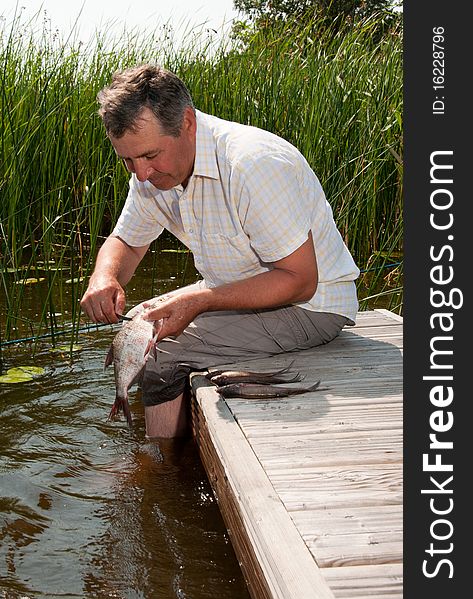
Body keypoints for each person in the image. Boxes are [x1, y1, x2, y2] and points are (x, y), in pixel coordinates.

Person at [80, 64, 360, 439]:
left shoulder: (251, 164)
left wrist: (198, 302)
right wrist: (105, 276)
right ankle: (166, 436)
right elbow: (127, 242)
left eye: (149, 156)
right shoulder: (150, 174)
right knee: (138, 324)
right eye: (128, 161)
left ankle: (158, 468)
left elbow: (301, 281)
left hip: (310, 307)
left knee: (161, 353)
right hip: (246, 291)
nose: (141, 173)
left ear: (188, 123)